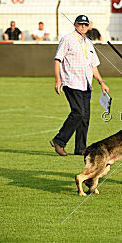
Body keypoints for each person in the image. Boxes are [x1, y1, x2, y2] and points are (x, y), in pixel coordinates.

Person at [50, 15, 109, 156]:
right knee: (78, 112)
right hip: (71, 82)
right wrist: (58, 80)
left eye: (85, 24)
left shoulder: (89, 43)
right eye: (80, 24)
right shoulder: (67, 39)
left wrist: (101, 82)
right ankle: (59, 140)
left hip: (86, 84)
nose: (83, 26)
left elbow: (93, 66)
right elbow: (58, 60)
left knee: (85, 117)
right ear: (75, 24)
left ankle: (80, 148)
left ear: (89, 26)